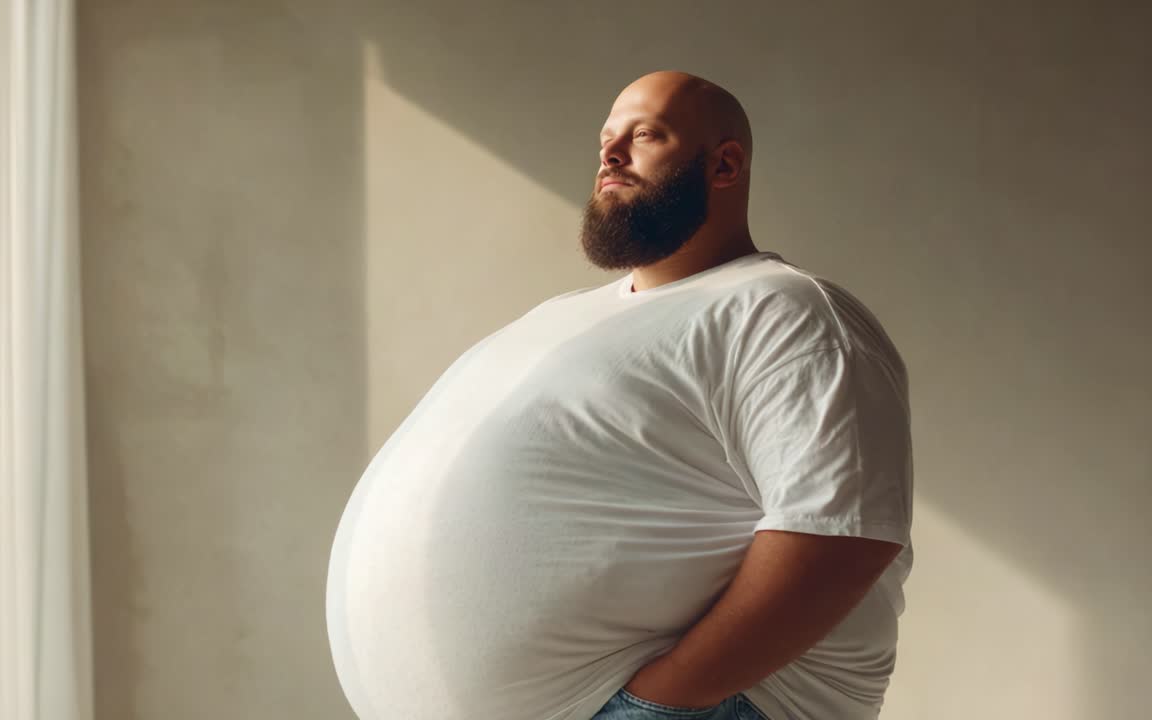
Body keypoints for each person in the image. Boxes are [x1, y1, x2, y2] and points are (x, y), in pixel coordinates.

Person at [326, 71, 914, 720]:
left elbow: (841, 534)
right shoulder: (564, 313)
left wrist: (661, 703)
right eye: (606, 137)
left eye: (645, 135)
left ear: (724, 165)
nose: (610, 154)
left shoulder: (782, 310)